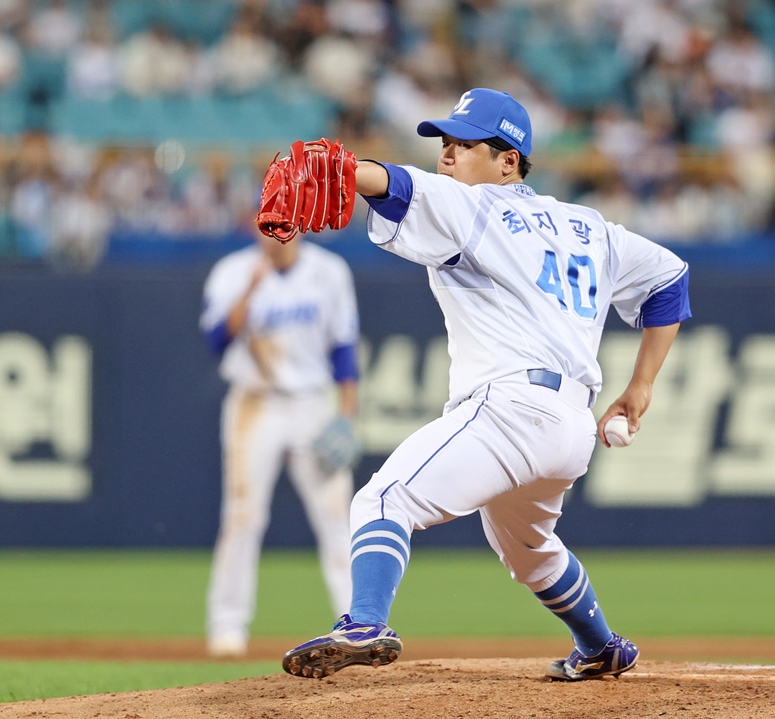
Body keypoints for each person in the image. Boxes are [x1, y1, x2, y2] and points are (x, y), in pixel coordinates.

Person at [280, 88, 691, 680]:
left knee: (383, 498)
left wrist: (344, 169)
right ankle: (602, 647)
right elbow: (670, 281)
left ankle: (365, 620)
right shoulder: (590, 227)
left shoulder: (472, 206)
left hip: (511, 409)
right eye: (445, 144)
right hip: (571, 426)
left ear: (508, 162)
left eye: (465, 144)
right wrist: (642, 385)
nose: (447, 155)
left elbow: (393, 183)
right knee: (528, 551)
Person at [200, 229, 361, 658]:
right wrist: (252, 288)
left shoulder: (329, 271)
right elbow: (217, 339)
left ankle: (359, 623)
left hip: (312, 403)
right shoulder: (234, 272)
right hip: (255, 404)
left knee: (336, 519)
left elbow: (344, 346)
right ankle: (227, 626)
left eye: (283, 221)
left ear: (299, 225)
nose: (275, 231)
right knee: (242, 517)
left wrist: (346, 414)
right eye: (267, 221)